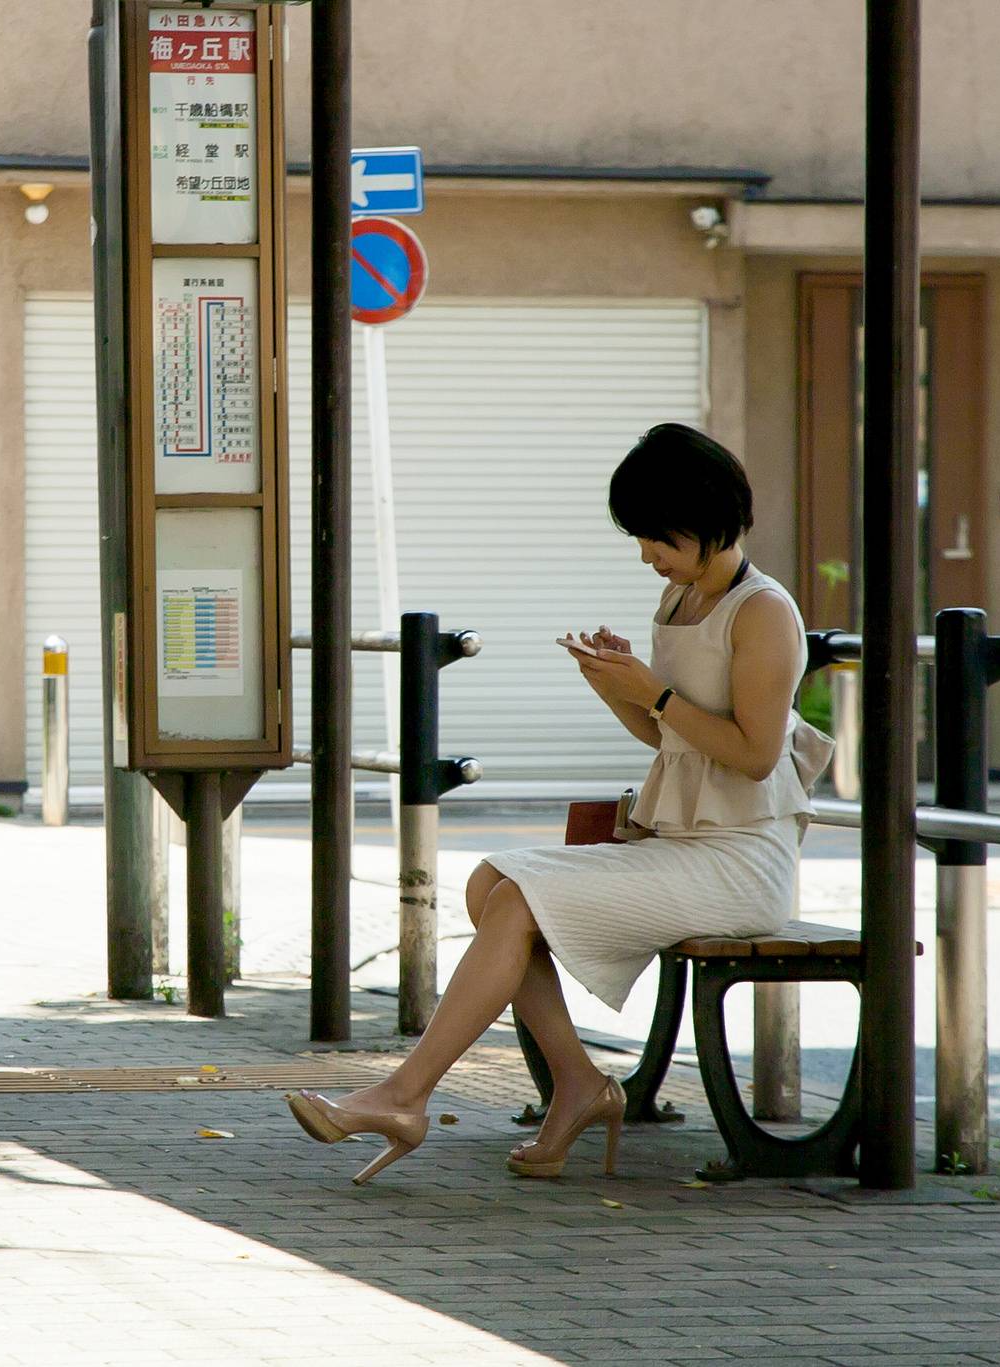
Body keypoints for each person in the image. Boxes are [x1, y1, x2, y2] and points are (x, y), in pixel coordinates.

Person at [286, 423, 832, 1185]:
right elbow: (666, 739)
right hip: (683, 845)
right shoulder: (679, 597)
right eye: (641, 537)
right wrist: (615, 687)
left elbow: (755, 754)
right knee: (489, 885)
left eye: (657, 536)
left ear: (707, 519)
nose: (648, 553)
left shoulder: (764, 611)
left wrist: (657, 690)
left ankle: (404, 1095)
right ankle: (578, 1081)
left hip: (742, 862)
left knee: (515, 904)